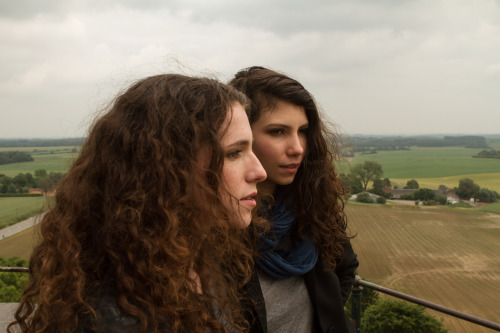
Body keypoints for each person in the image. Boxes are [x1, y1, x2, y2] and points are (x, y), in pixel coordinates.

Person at [9, 74, 267, 333]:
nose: (259, 171)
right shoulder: (115, 316)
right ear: (170, 170)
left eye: (251, 149)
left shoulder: (193, 261)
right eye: (234, 153)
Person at [230, 66, 359, 333]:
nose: (297, 148)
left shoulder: (310, 203)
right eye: (277, 131)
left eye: (302, 131)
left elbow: (345, 268)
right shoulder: (222, 219)